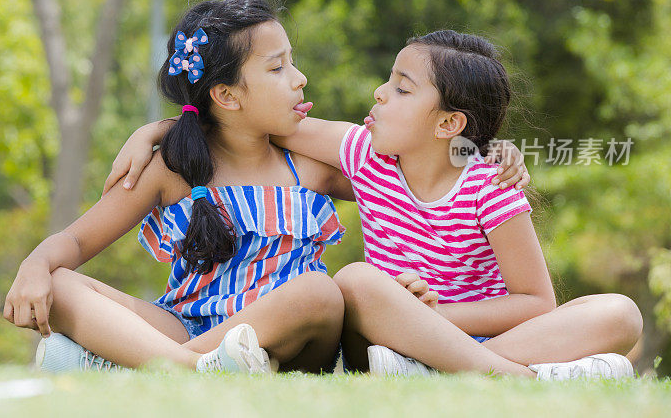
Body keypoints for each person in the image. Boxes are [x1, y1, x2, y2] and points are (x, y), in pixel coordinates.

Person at [107, 30, 642, 380]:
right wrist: (158, 130)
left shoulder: (489, 184)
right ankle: (519, 378)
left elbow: (535, 302)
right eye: (388, 80)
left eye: (402, 89)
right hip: (385, 344)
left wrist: (435, 318)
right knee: (358, 282)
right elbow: (247, 122)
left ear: (449, 124)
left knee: (620, 313)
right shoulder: (362, 155)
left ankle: (462, 370)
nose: (380, 94)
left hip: (463, 337)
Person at [3, 0, 354, 374]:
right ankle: (198, 368)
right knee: (61, 285)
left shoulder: (309, 168)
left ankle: (149, 367)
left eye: (291, 61)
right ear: (225, 95)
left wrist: (159, 127)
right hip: (183, 328)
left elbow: (381, 161)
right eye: (277, 68)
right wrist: (35, 264)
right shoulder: (175, 168)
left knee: (320, 292)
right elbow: (76, 240)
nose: (299, 78)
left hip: (286, 338)